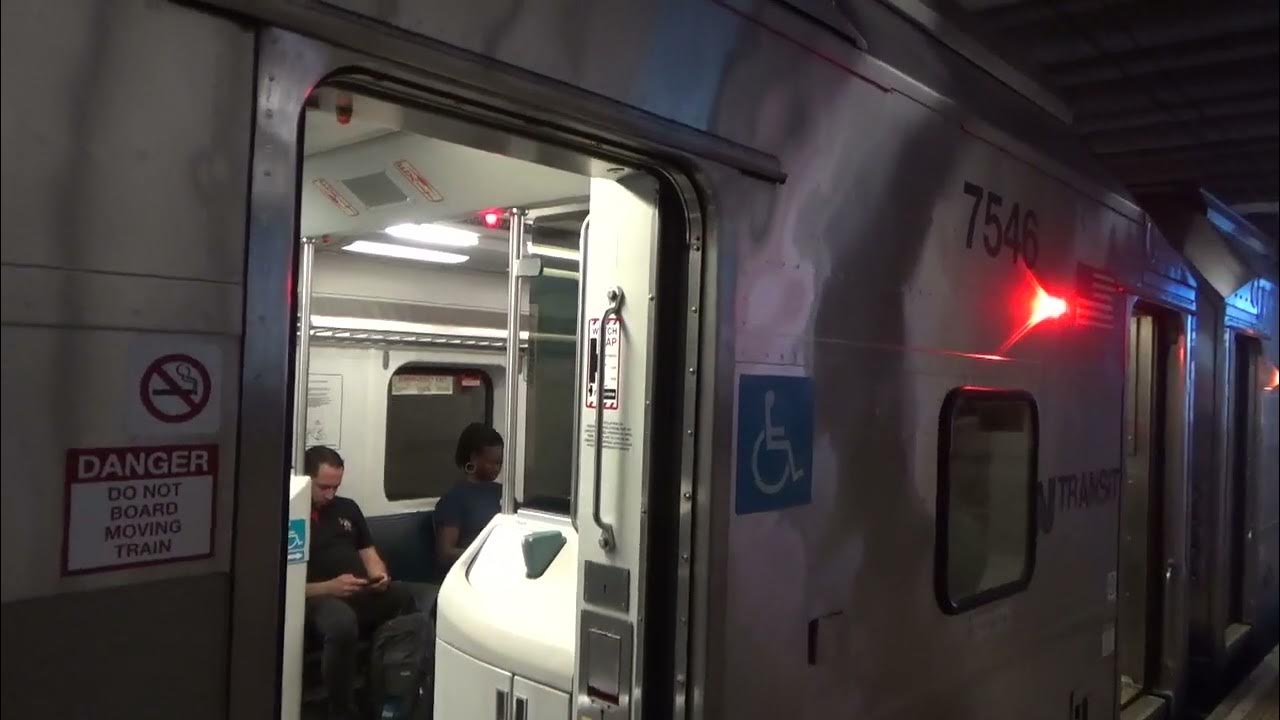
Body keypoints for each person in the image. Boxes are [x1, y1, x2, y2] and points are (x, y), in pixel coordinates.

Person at [303, 446, 417, 719]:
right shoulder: (290, 515)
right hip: (316, 596)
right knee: (341, 624)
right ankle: (341, 709)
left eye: (335, 487)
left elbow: (369, 554)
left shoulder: (348, 508)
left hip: (357, 588)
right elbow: (281, 584)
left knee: (403, 597)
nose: (330, 495)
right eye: (323, 488)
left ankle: (391, 687)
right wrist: (329, 587)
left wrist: (380, 577)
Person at [434, 424, 504, 573]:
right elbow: (445, 553)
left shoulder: (502, 493)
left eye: (499, 463)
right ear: (473, 458)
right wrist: (487, 556)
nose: (497, 468)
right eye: (492, 462)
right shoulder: (455, 498)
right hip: (470, 572)